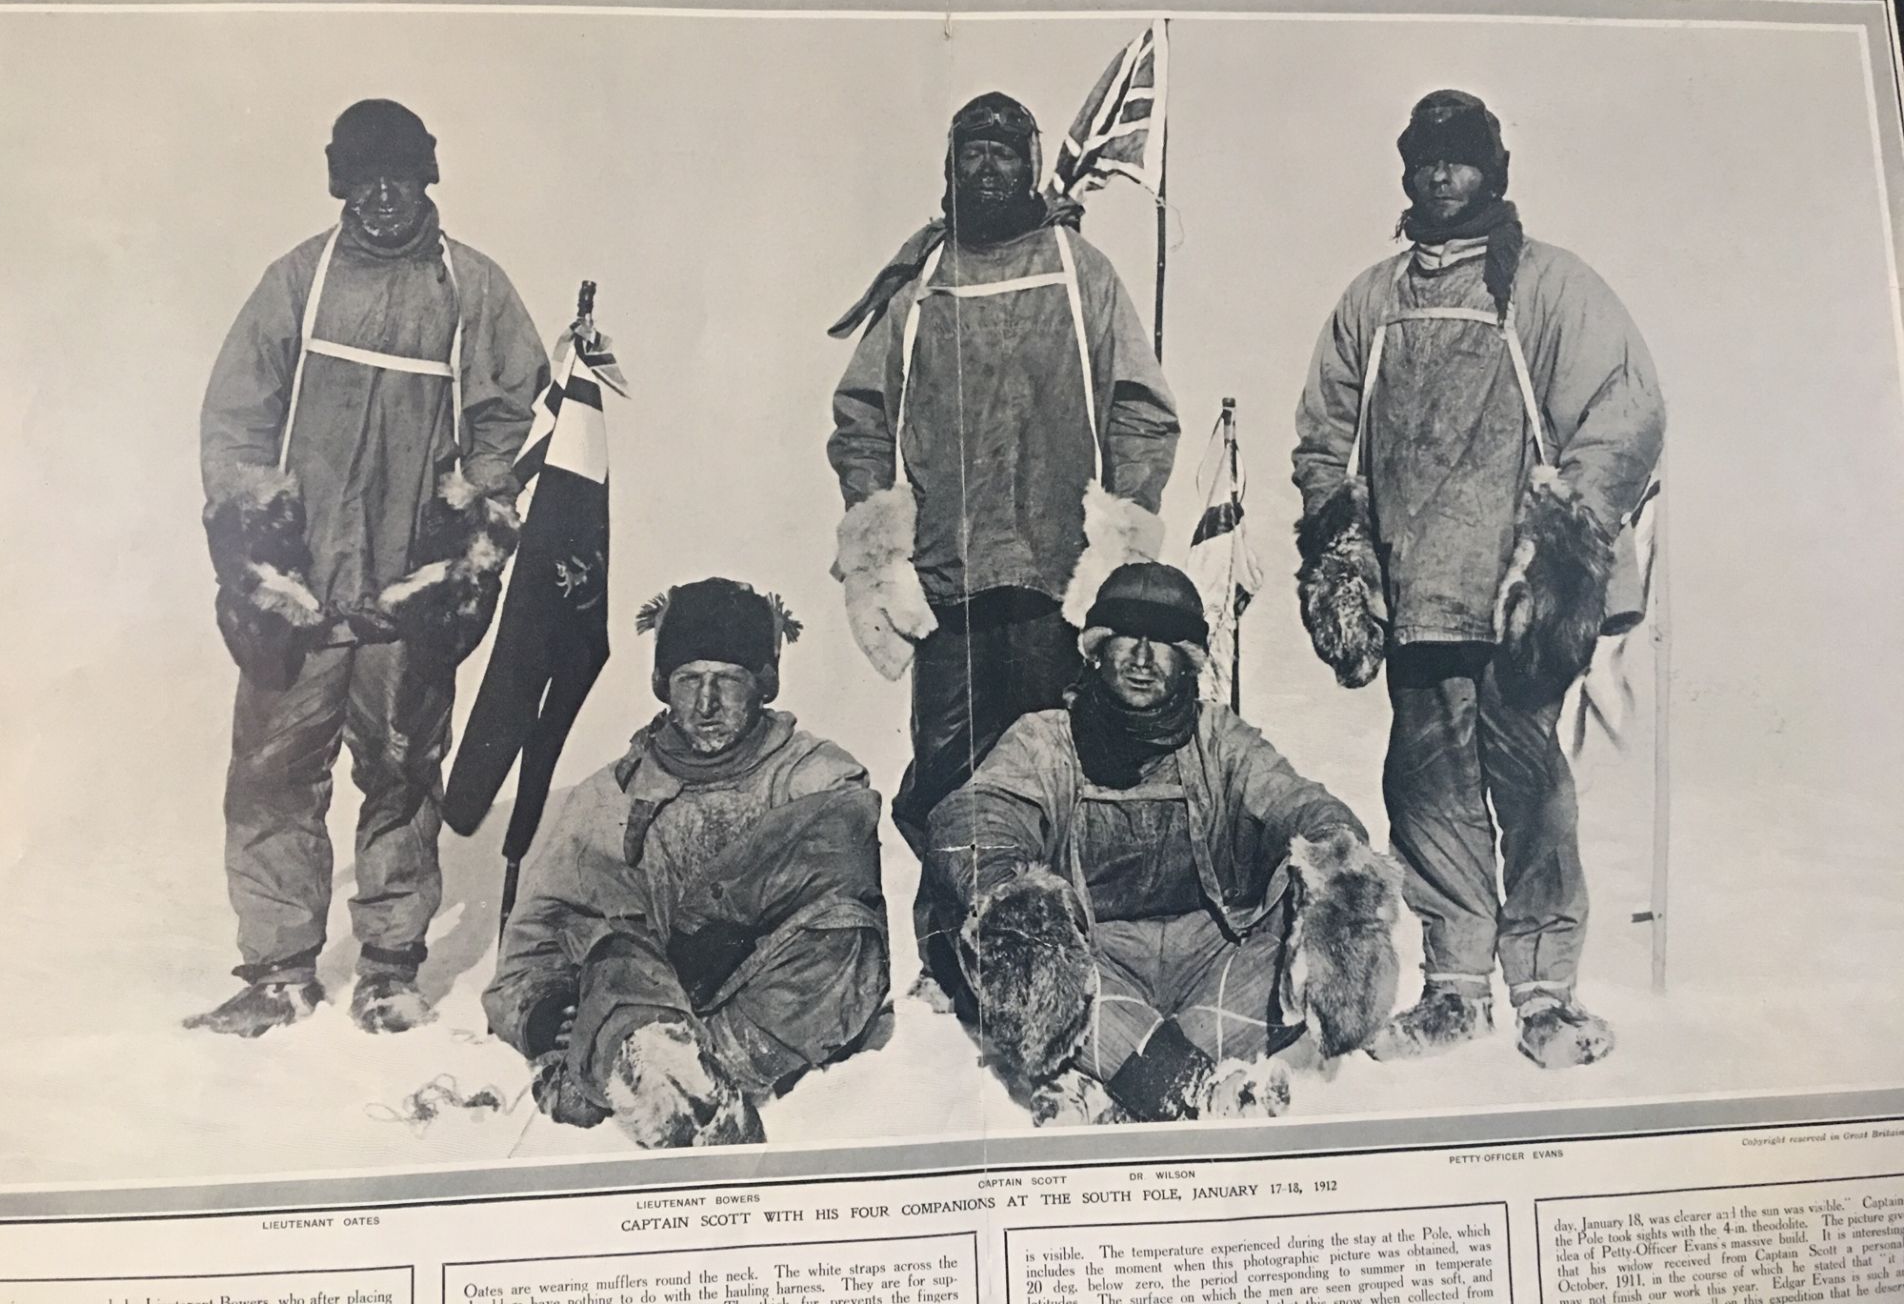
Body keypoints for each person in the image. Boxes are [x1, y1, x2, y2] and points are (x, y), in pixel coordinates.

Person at [1291, 89, 1667, 1069]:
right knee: (1425, 795)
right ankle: (1455, 990)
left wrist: (1568, 533)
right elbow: (1325, 435)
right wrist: (1342, 543)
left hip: (1514, 600)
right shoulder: (1374, 301)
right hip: (1416, 597)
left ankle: (1547, 997)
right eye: (1424, 159)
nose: (1439, 176)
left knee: (1530, 790)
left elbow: (1627, 407)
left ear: (1492, 173)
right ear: (1406, 171)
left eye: (1458, 160)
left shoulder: (1545, 286)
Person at [188, 98, 548, 1038]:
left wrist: (470, 524)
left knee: (400, 773)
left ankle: (390, 967)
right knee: (272, 774)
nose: (384, 197)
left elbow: (511, 417)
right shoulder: (298, 282)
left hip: (406, 591)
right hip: (301, 594)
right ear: (342, 183)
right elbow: (236, 416)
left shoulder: (472, 290)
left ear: (427, 178)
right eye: (364, 178)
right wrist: (258, 548)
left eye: (401, 176)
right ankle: (277, 970)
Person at [827, 91, 1181, 1005]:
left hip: (1059, 584)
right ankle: (952, 959)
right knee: (951, 774)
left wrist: (1122, 533)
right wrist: (879, 539)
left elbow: (1142, 407)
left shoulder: (1078, 270)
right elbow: (861, 415)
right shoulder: (920, 281)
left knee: (1067, 767)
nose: (987, 168)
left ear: (1031, 164)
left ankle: (1073, 951)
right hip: (949, 583)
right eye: (970, 152)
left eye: (1002, 151)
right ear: (950, 166)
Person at [925, 564, 1401, 1125]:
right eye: (1127, 636)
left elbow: (1298, 801)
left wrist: (1335, 864)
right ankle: (1199, 1090)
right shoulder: (1045, 737)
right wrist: (1008, 892)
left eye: (1166, 642)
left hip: (1212, 956)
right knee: (1012, 950)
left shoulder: (1219, 737)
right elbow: (979, 813)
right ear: (1098, 649)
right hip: (1091, 962)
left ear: (1188, 662)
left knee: (1305, 925)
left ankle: (1118, 1083)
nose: (1144, 657)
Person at [483, 578, 891, 1148]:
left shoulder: (813, 774)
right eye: (688, 680)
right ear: (663, 688)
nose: (706, 704)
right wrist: (545, 1013)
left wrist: (721, 925)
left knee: (845, 939)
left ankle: (666, 1075)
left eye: (727, 680)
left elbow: (843, 874)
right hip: (650, 997)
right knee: (611, 951)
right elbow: (536, 939)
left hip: (765, 995)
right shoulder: (611, 797)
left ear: (763, 686)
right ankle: (663, 1072)